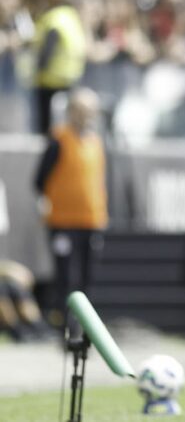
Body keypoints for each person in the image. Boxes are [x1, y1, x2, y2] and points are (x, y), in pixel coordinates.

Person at [33, 87, 106, 339]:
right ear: (71, 111)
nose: (88, 116)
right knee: (65, 277)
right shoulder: (58, 139)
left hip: (91, 220)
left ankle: (86, 330)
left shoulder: (95, 142)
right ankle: (65, 328)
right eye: (83, 110)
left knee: (87, 278)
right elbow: (40, 179)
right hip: (63, 221)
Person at [22, 0, 86, 135]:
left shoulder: (53, 18)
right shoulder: (72, 16)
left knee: (46, 127)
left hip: (49, 79)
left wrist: (38, 69)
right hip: (70, 77)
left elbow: (48, 49)